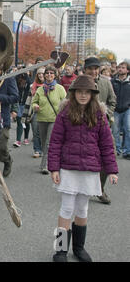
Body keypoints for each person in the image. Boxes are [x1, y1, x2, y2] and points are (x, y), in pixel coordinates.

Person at [48, 75, 118, 262]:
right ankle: (60, 250)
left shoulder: (99, 115)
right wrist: (54, 168)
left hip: (89, 170)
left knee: (82, 209)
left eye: (87, 92)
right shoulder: (64, 113)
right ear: (74, 93)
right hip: (68, 169)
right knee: (66, 209)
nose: (83, 95)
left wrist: (111, 170)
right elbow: (55, 142)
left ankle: (78, 248)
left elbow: (106, 144)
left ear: (93, 94)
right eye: (80, 91)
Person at [82, 57, 116, 204]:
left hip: (102, 126)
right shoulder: (79, 83)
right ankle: (81, 187)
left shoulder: (105, 82)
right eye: (90, 68)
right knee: (82, 158)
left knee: (108, 155)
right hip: (83, 127)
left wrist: (107, 113)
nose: (94, 71)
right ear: (85, 69)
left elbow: (112, 100)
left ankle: (100, 189)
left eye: (96, 68)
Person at [31, 66, 67, 174]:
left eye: (51, 73)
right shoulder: (40, 89)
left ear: (55, 75)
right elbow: (34, 102)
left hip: (54, 119)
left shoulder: (60, 88)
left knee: (48, 143)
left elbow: (65, 103)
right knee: (43, 142)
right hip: (41, 118)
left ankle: (45, 165)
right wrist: (35, 106)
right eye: (47, 73)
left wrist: (63, 114)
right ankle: (52, 160)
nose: (49, 75)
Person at [0, 64, 19, 177]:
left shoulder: (8, 79)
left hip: (2, 118)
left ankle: (7, 160)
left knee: (1, 147)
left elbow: (15, 97)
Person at [22, 67, 45, 158]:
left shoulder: (50, 86)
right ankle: (37, 150)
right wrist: (25, 114)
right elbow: (28, 100)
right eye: (39, 74)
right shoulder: (33, 86)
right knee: (36, 132)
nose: (40, 75)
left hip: (46, 111)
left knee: (44, 133)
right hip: (34, 111)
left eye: (42, 73)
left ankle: (44, 149)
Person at [111, 61, 130, 159]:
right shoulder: (113, 81)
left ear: (127, 70)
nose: (120, 69)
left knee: (128, 129)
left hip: (127, 109)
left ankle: (127, 151)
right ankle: (117, 150)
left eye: (123, 67)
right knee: (115, 130)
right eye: (119, 67)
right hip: (116, 109)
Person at [13, 73, 31, 147]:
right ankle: (18, 140)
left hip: (26, 104)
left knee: (26, 122)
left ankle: (26, 138)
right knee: (19, 121)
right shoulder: (16, 80)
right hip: (18, 104)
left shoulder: (29, 82)